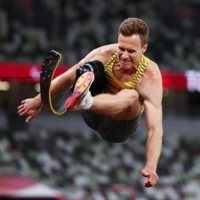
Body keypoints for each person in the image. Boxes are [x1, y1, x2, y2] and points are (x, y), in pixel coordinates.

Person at [18, 18, 163, 188]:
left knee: (131, 96)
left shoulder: (150, 77)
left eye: (131, 51)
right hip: (92, 114)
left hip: (117, 128)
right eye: (121, 48)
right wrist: (38, 101)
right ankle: (84, 100)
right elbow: (72, 74)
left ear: (144, 48)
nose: (123, 56)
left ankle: (85, 100)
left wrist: (151, 166)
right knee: (89, 67)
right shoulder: (105, 53)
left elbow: (155, 129)